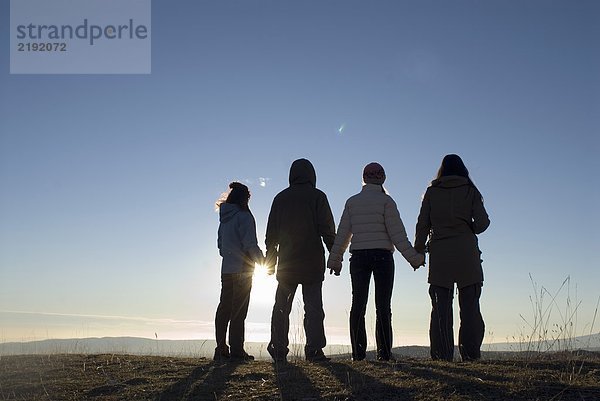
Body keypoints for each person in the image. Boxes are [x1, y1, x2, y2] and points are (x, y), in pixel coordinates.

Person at [327, 162, 425, 361]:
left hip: (359, 258)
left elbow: (343, 235)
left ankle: (358, 354)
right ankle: (384, 354)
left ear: (364, 178)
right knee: (383, 306)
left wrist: (335, 261)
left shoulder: (352, 202)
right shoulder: (387, 202)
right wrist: (414, 259)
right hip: (383, 257)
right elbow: (398, 235)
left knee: (358, 305)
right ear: (382, 178)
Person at [414, 154, 490, 362]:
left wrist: (419, 251)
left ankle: (441, 355)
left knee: (440, 307)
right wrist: (468, 229)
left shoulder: (432, 192)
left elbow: (422, 224)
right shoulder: (470, 190)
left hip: (440, 254)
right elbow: (483, 223)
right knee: (470, 307)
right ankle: (471, 354)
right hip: (467, 253)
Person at [265, 158, 336, 362]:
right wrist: (335, 256)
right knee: (313, 308)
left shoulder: (280, 198)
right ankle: (314, 350)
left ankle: (278, 348)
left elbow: (272, 235)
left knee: (281, 307)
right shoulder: (318, 197)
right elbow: (328, 231)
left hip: (287, 264)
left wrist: (270, 262)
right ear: (312, 175)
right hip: (312, 262)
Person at [214, 182, 265, 362]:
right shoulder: (244, 217)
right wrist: (263, 262)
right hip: (243, 270)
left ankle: (221, 348)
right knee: (239, 311)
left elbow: (220, 247)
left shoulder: (224, 219)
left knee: (224, 309)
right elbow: (250, 244)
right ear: (245, 199)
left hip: (226, 270)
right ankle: (237, 350)